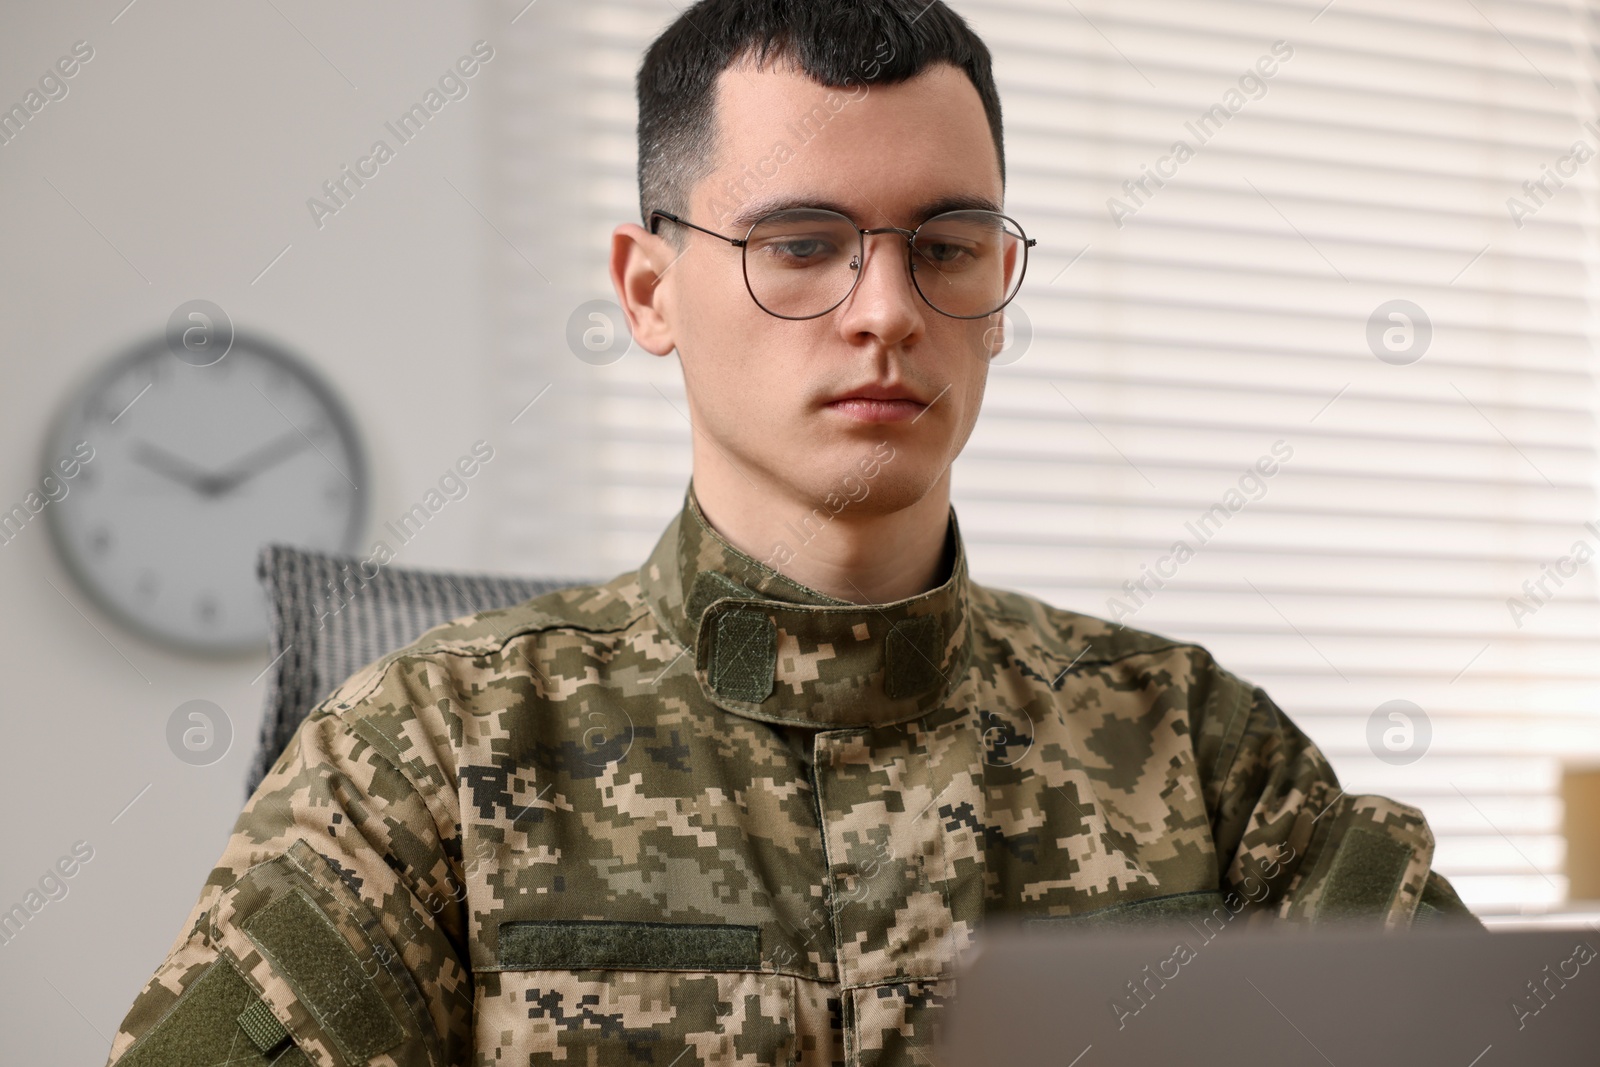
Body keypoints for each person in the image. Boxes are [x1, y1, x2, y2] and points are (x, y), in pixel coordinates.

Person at [104, 1, 1481, 1064]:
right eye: (804, 243)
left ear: (996, 292)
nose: (886, 308)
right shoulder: (423, 752)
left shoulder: (1199, 748)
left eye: (946, 244)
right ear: (650, 290)